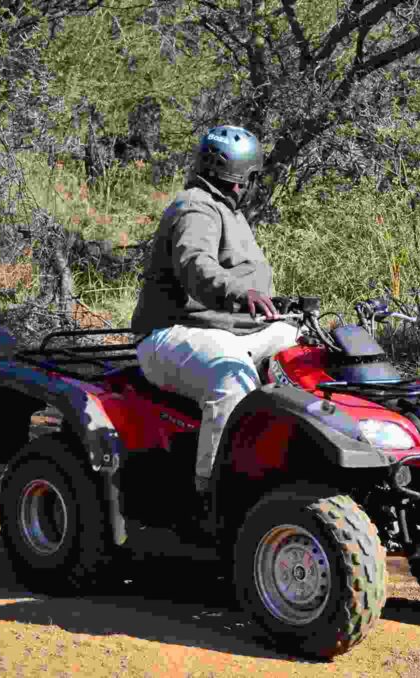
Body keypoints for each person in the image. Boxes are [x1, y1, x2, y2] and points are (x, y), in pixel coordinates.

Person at [131, 125, 298, 495]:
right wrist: (241, 293)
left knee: (303, 351)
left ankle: (286, 457)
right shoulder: (196, 208)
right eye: (254, 177)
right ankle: (214, 492)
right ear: (243, 179)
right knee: (232, 380)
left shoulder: (226, 209)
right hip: (173, 332)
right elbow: (196, 267)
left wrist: (280, 305)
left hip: (224, 328)